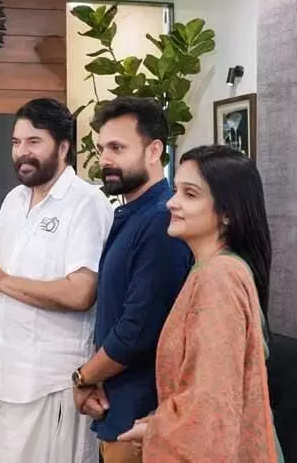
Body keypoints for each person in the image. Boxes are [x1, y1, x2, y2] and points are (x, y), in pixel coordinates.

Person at [117, 145, 283, 462]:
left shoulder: (219, 277)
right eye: (175, 190)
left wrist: (156, 432)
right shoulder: (210, 269)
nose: (172, 202)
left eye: (190, 194)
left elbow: (212, 409)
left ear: (228, 213)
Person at [0, 99, 113, 462]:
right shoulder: (13, 201)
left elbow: (81, 292)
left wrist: (1, 280)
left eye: (34, 142)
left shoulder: (86, 202)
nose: (22, 152)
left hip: (55, 381)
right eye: (16, 142)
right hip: (8, 377)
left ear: (63, 147)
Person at [71, 97, 192, 463]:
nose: (105, 159)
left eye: (118, 148)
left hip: (142, 417)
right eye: (101, 149)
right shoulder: (133, 213)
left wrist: (83, 377)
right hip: (118, 407)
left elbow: (137, 329)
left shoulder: (161, 219)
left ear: (154, 150)